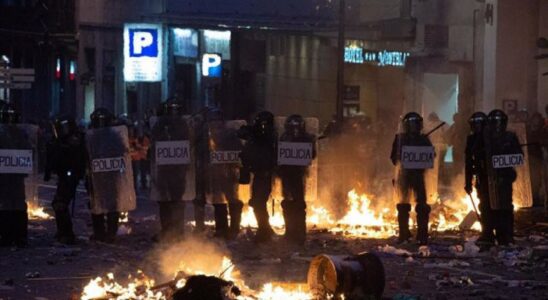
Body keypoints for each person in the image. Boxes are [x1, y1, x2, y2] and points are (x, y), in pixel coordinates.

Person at [86, 108, 136, 243]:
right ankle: (104, 233)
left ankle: (106, 233)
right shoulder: (91, 137)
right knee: (99, 204)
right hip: (99, 176)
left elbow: (123, 153)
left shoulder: (113, 136)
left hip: (110, 176)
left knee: (109, 205)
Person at [390, 112, 433, 245]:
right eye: (411, 124)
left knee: (422, 206)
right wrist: (402, 158)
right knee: (402, 206)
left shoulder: (424, 139)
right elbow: (393, 158)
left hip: (419, 176)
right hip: (404, 175)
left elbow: (430, 156)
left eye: (416, 124)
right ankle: (404, 234)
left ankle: (422, 234)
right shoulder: (400, 139)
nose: (414, 127)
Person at [150, 101, 190, 242]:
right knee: (170, 201)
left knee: (171, 201)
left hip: (173, 169)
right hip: (170, 169)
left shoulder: (179, 125)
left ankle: (173, 231)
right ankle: (174, 231)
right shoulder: (165, 125)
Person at [44, 115, 87, 244]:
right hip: (64, 176)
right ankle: (63, 231)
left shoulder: (74, 143)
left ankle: (67, 233)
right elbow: (53, 159)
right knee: (59, 204)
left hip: (69, 177)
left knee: (60, 204)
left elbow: (77, 161)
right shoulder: (60, 142)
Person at [204, 108, 244, 239]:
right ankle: (222, 229)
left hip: (230, 173)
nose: (215, 124)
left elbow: (239, 151)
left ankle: (234, 228)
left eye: (217, 121)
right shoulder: (206, 137)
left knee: (232, 200)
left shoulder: (230, 135)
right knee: (218, 202)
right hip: (215, 173)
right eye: (212, 121)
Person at [484, 109, 522, 245]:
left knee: (506, 207)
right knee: (490, 207)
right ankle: (490, 234)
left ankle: (507, 235)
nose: (498, 126)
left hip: (505, 176)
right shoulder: (485, 138)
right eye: (495, 122)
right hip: (489, 177)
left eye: (500, 122)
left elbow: (519, 155)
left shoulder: (510, 137)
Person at [239, 111, 277, 243]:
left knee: (258, 203)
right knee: (257, 203)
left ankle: (264, 231)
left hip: (264, 174)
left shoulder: (268, 137)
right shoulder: (258, 135)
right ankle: (264, 230)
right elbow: (242, 134)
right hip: (258, 173)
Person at [279, 114, 316, 245]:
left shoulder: (306, 138)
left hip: (299, 175)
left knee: (298, 205)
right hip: (287, 174)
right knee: (287, 203)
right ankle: (290, 232)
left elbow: (312, 155)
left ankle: (299, 235)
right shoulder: (284, 137)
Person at [0, 101, 30, 247]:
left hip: (8, 175)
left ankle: (9, 236)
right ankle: (18, 236)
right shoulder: (21, 133)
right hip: (14, 175)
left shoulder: (17, 133)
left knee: (8, 205)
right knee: (15, 204)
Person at [464, 112, 493, 247]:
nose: (476, 127)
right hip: (481, 176)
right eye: (474, 125)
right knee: (484, 205)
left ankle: (501, 234)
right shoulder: (471, 140)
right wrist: (468, 181)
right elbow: (469, 162)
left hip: (495, 177)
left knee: (498, 207)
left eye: (478, 124)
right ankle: (487, 233)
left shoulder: (493, 138)